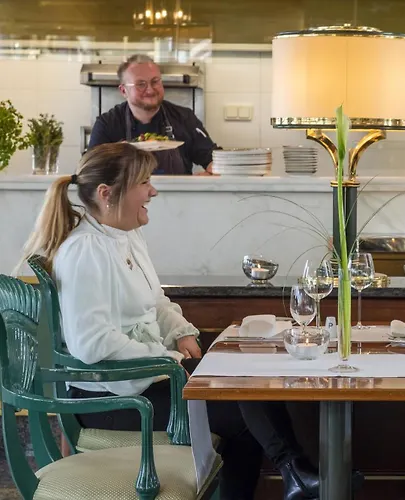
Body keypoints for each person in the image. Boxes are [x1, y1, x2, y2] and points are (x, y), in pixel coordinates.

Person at [17, 143, 321, 500]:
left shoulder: (126, 235)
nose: (153, 191)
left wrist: (180, 333)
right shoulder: (85, 250)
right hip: (111, 402)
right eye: (143, 183)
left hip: (143, 381)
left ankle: (298, 475)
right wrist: (167, 360)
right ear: (106, 194)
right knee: (241, 412)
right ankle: (299, 474)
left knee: (247, 385)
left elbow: (155, 300)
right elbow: (92, 342)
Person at [88, 54, 216, 176]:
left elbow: (215, 160)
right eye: (141, 84)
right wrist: (115, 153)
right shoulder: (107, 124)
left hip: (175, 191)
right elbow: (89, 171)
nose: (150, 90)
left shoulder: (185, 118)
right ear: (123, 90)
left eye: (155, 81)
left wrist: (211, 174)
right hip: (128, 192)